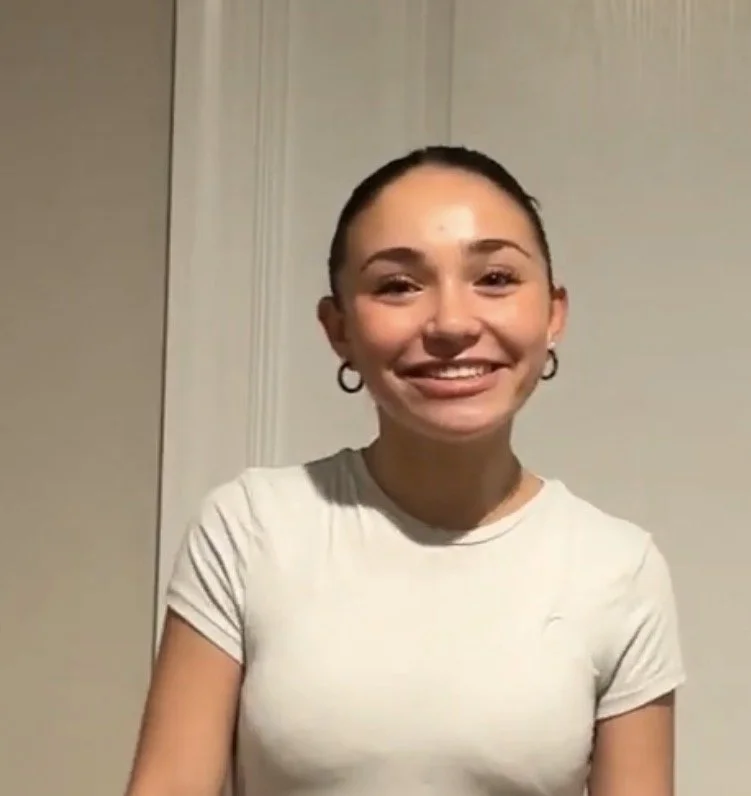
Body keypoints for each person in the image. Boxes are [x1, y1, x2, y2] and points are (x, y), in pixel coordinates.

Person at [125, 145, 686, 796]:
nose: (451, 323)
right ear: (338, 328)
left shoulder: (618, 569)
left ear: (553, 314)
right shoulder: (250, 529)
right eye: (397, 286)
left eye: (495, 278)